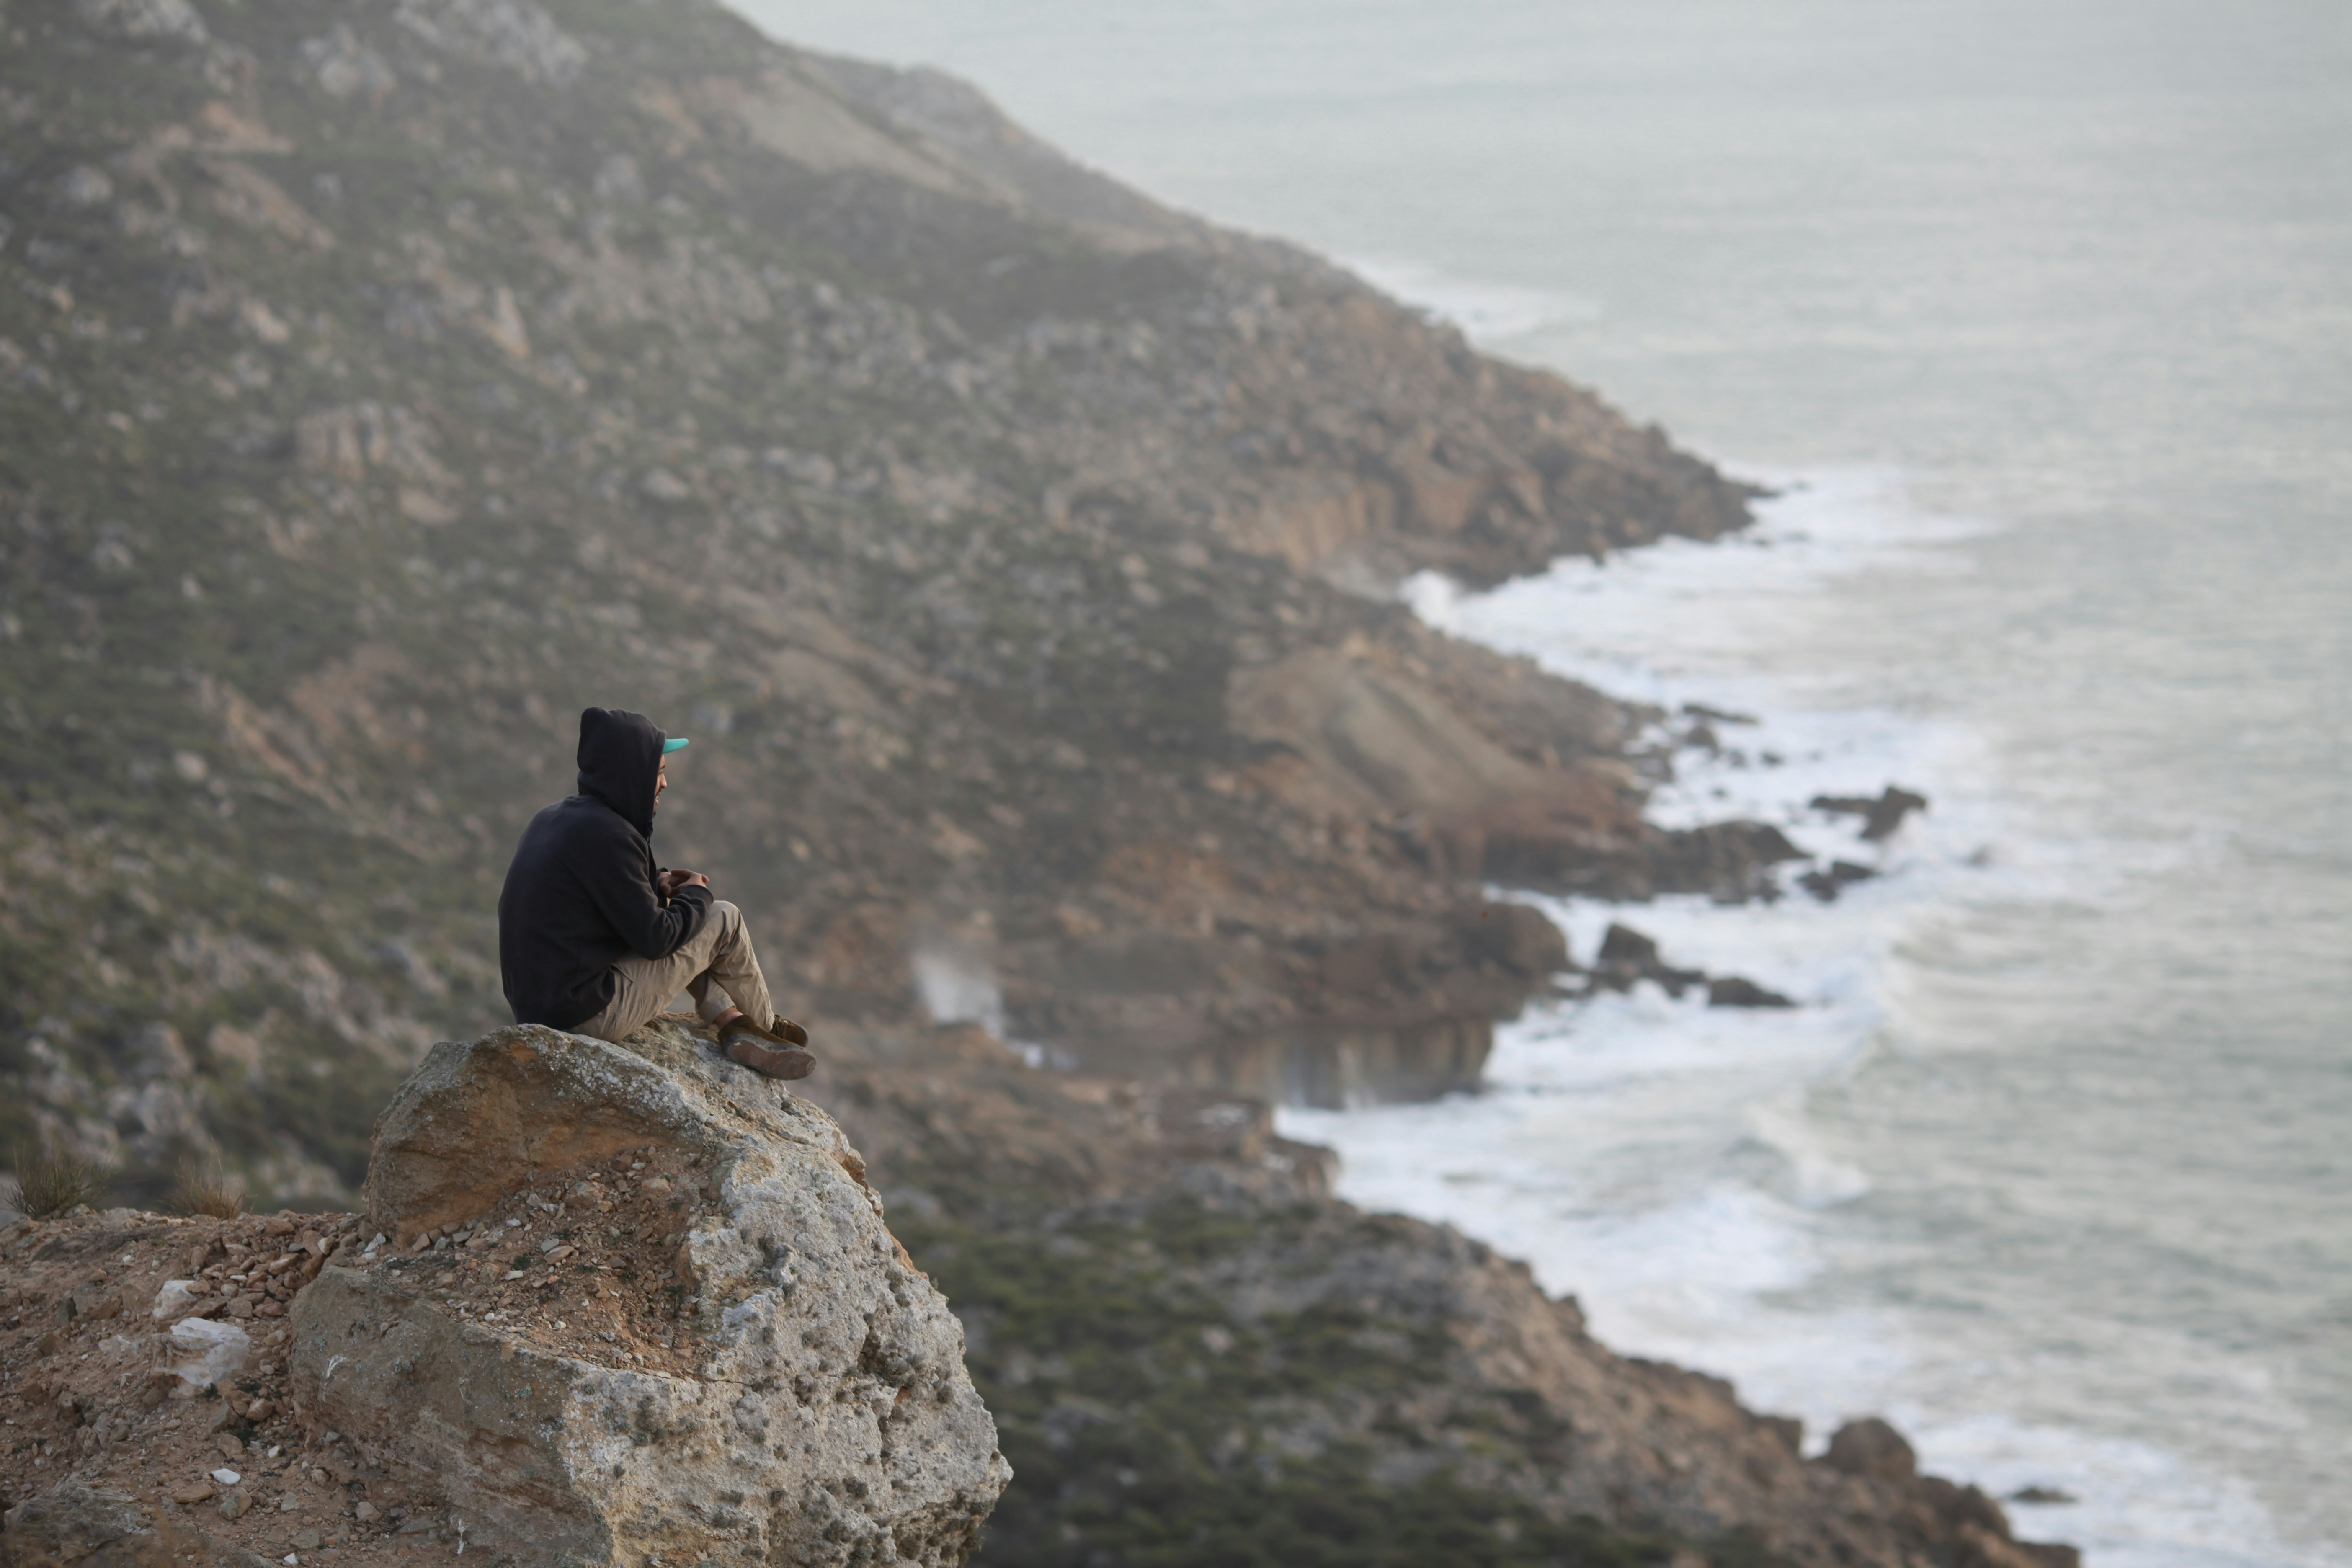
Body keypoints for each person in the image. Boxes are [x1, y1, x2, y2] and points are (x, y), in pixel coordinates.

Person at [498, 706, 813, 1078]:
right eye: (658, 774)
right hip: (585, 1015)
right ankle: (763, 1029)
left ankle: (731, 1019)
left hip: (541, 1007)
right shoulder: (609, 835)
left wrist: (657, 883)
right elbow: (656, 939)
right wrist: (696, 895)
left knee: (685, 922)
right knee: (724, 918)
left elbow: (609, 901)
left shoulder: (557, 819)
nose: (664, 784)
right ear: (632, 776)